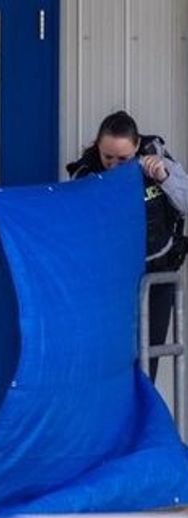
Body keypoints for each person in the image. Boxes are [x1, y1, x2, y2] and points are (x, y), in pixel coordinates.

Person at [67, 111, 188, 380]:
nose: (114, 165)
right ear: (97, 147)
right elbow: (75, 229)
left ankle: (142, 406)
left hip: (157, 277)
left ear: (137, 148)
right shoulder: (86, 175)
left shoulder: (156, 158)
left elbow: (185, 203)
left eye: (123, 159)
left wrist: (165, 177)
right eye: (107, 157)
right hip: (112, 283)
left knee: (147, 363)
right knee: (111, 362)